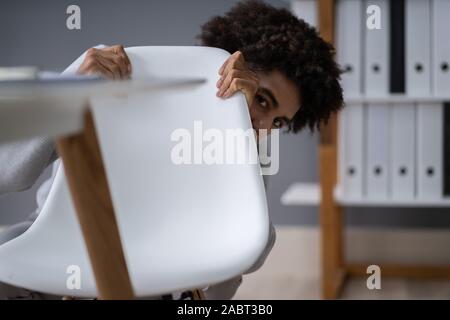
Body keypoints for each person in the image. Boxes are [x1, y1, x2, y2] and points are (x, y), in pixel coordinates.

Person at [0, 0, 343, 299]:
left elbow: (251, 249)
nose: (265, 127)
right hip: (47, 259)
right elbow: (8, 173)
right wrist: (68, 87)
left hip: (164, 284)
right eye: (263, 100)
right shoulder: (114, 81)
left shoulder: (227, 155)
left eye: (279, 122)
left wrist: (239, 147)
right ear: (223, 70)